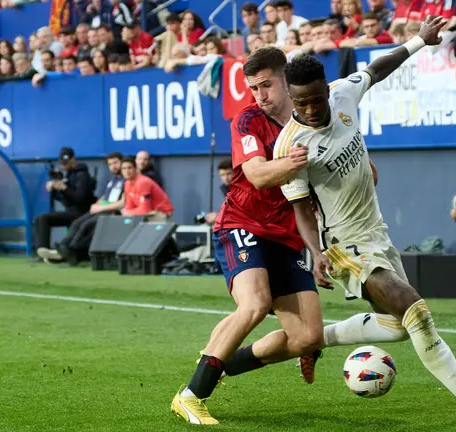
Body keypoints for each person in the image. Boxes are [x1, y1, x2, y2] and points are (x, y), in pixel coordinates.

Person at [273, 16, 456, 422]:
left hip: (376, 232)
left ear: (326, 88)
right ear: (291, 98)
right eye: (301, 103)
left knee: (396, 325)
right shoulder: (290, 146)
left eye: (316, 99)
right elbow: (301, 209)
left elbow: (377, 69)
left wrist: (419, 40)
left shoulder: (343, 93)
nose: (310, 109)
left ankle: (314, 341)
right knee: (415, 309)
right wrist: (317, 253)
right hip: (344, 245)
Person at [171, 47, 322, 426]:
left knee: (308, 337)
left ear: (286, 80)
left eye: (266, 85)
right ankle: (191, 396)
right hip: (242, 224)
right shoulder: (248, 120)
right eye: (254, 88)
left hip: (286, 237)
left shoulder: (313, 119)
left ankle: (220, 362)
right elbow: (256, 175)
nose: (260, 95)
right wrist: (294, 161)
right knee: (255, 304)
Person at [37, 152, 126, 265]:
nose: (113, 166)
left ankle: (71, 251)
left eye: (115, 163)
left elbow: (122, 202)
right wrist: (97, 204)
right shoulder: (113, 181)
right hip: (100, 209)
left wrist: (101, 207)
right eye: (110, 164)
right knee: (76, 223)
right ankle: (63, 248)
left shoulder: (125, 180)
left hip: (111, 212)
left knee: (86, 225)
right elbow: (105, 197)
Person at [33, 147, 96, 259]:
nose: (64, 165)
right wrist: (54, 190)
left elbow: (80, 198)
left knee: (43, 218)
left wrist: (64, 188)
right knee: (39, 218)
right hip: (71, 210)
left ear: (73, 159)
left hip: (81, 213)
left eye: (66, 162)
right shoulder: (69, 175)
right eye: (62, 163)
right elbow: (65, 201)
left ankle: (43, 253)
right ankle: (40, 252)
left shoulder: (82, 175)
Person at [204, 158, 233, 224]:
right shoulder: (225, 188)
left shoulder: (240, 189)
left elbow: (238, 214)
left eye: (229, 173)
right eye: (222, 175)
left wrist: (218, 217)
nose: (225, 178)